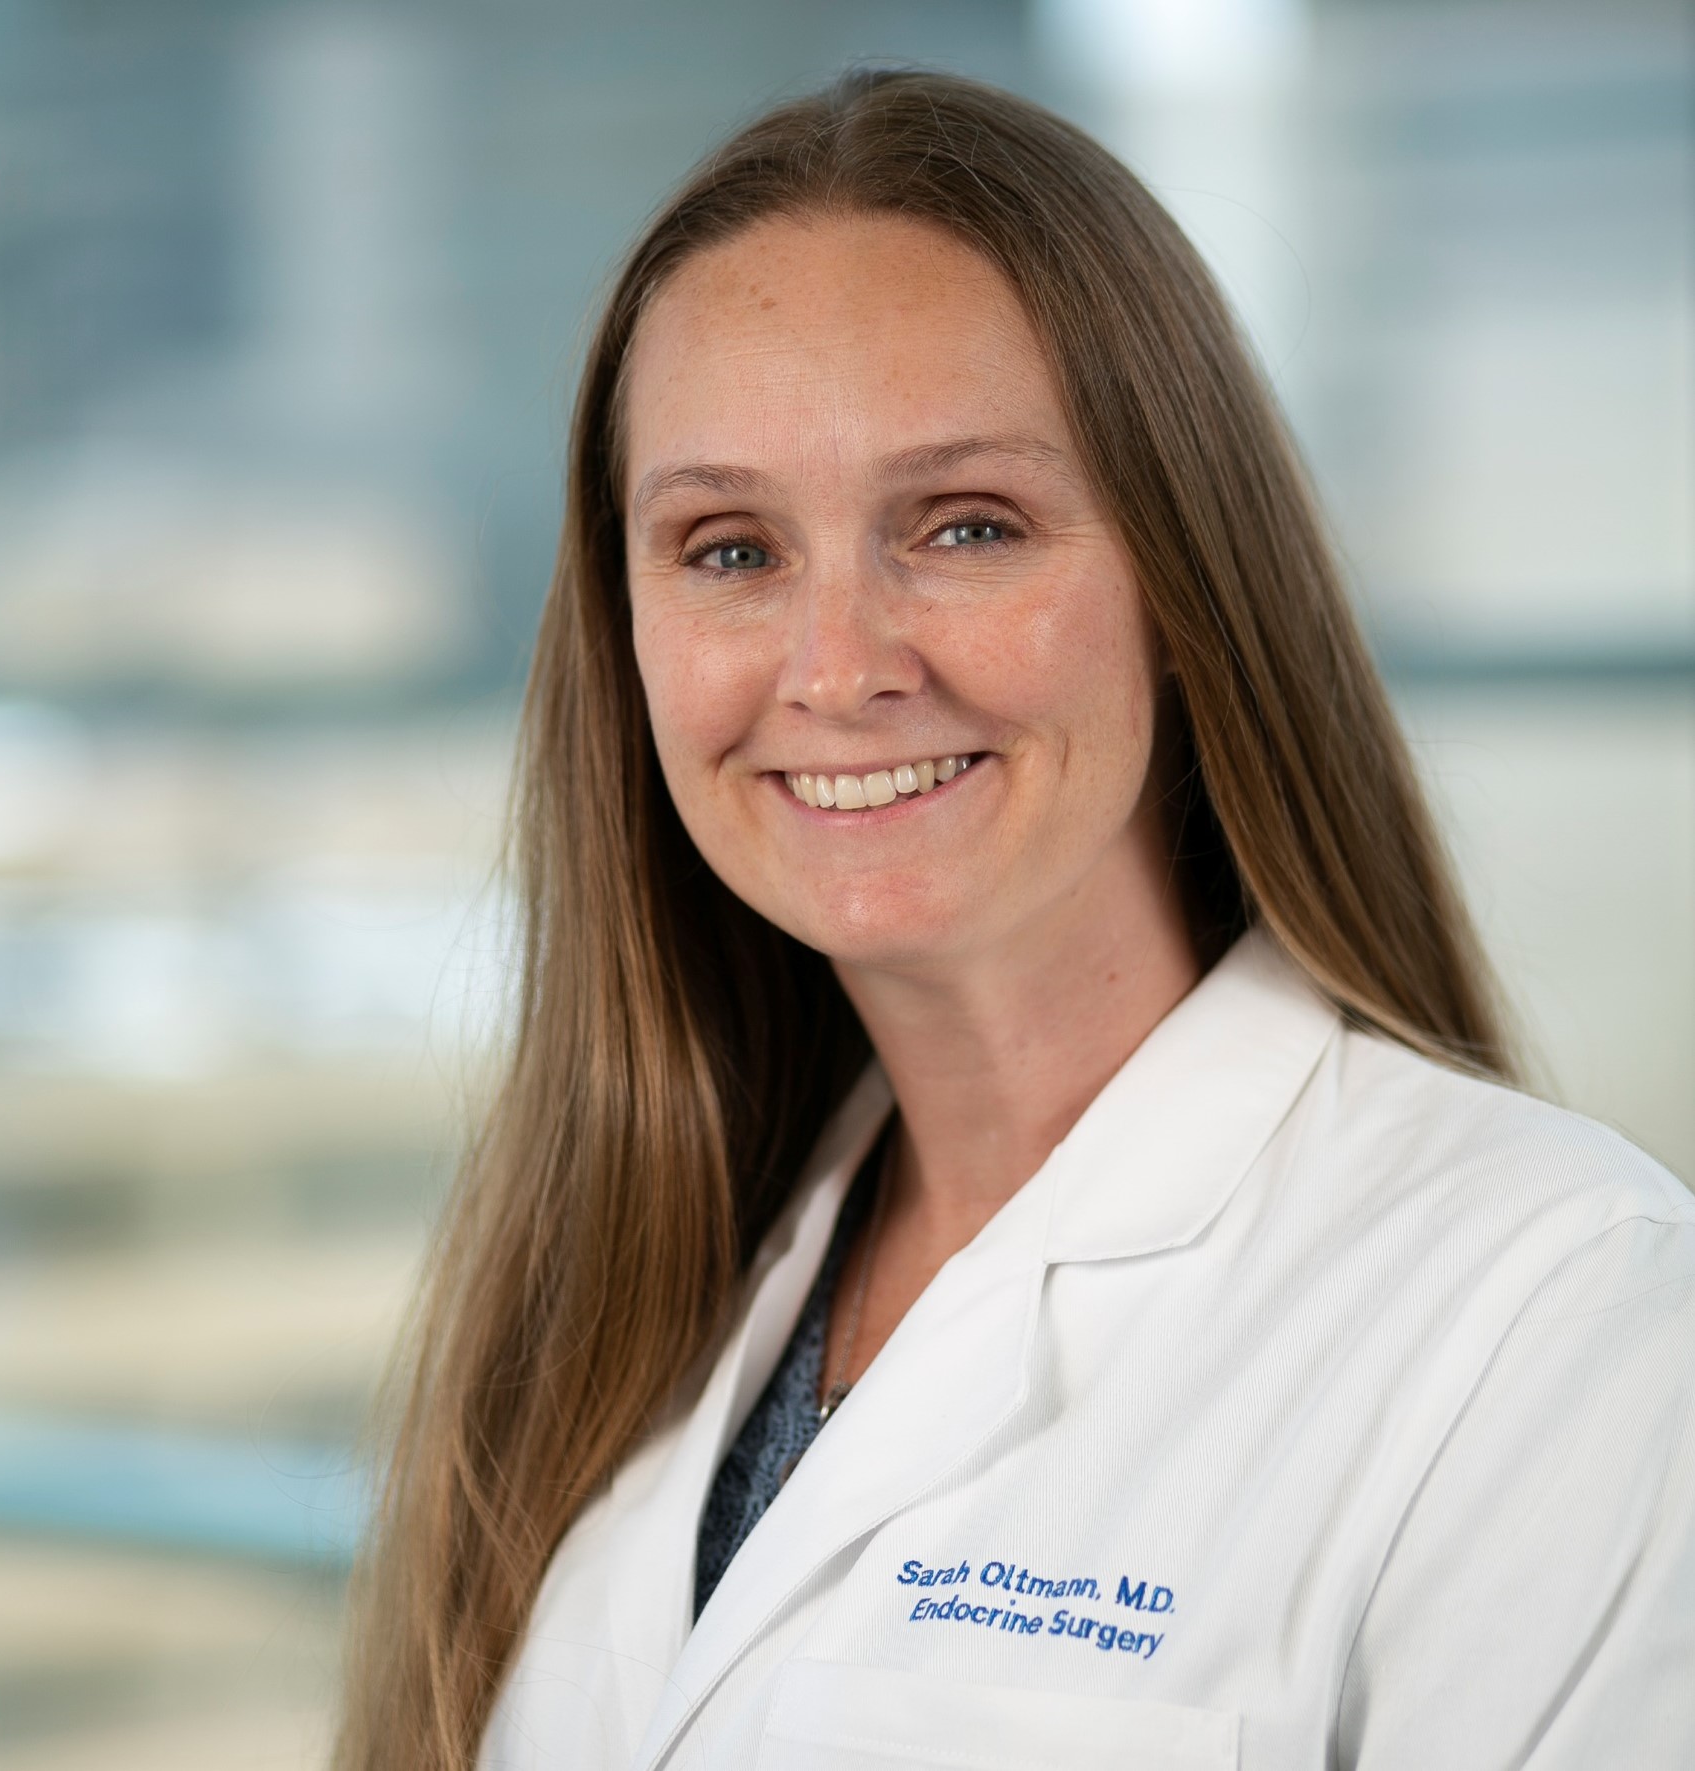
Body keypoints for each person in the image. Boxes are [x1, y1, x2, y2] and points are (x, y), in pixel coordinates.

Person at [334, 69, 1695, 1771]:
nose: (838, 670)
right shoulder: (633, 1283)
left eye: (965, 526)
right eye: (730, 549)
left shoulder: (1552, 1320)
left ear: (1191, 590)